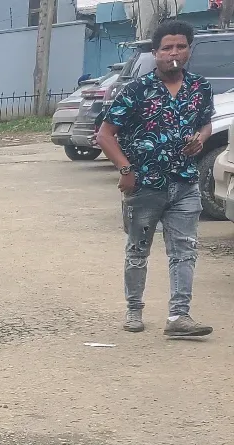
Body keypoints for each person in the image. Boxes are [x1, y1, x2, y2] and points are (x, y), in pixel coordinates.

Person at [97, 18, 215, 338]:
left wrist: (201, 138)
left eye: (180, 47)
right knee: (138, 250)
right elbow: (105, 135)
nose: (174, 53)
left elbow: (206, 123)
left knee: (184, 251)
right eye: (167, 48)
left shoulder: (199, 87)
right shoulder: (137, 90)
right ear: (156, 53)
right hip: (145, 185)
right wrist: (126, 170)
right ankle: (134, 310)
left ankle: (179, 317)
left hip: (185, 182)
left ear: (189, 50)